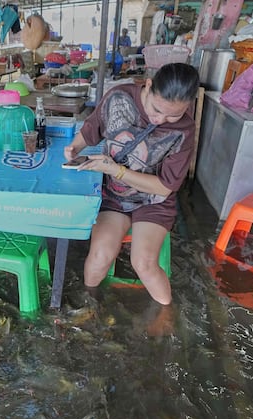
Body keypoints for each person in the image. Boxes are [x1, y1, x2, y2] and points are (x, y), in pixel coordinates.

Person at [64, 63, 199, 306]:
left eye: (173, 115)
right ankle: (89, 307)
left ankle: (165, 320)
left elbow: (164, 188)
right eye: (157, 110)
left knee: (143, 263)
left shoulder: (185, 131)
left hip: (152, 201)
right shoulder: (119, 98)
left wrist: (116, 170)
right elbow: (93, 127)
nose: (161, 120)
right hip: (114, 196)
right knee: (100, 256)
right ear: (148, 86)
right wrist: (75, 147)